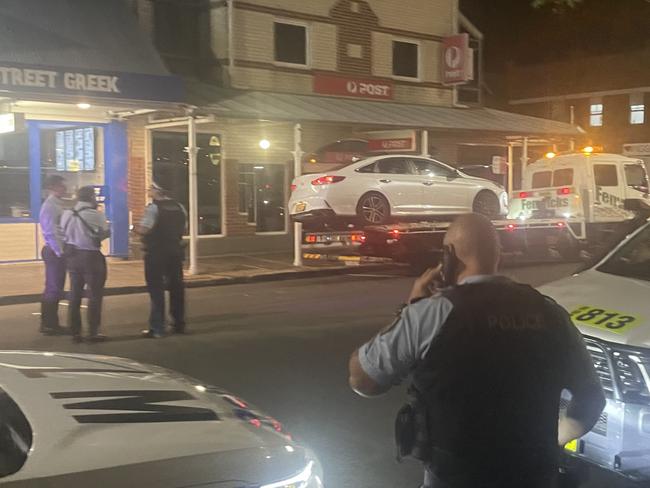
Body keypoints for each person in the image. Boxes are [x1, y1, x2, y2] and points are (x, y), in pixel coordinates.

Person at [348, 213, 606, 488]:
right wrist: (546, 442)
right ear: (499, 256)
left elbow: (363, 380)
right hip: (535, 478)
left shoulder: (431, 314)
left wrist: (411, 308)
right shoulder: (551, 314)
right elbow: (591, 400)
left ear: (448, 257)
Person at [135, 182, 187, 338]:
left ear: (157, 191)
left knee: (156, 290)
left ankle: (157, 328)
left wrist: (134, 228)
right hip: (175, 251)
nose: (148, 191)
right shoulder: (180, 207)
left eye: (150, 188)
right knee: (176, 288)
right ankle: (178, 324)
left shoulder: (153, 208)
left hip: (156, 253)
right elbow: (184, 228)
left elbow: (145, 229)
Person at [61, 186, 111, 343]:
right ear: (91, 198)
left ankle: (75, 332)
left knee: (75, 294)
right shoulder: (96, 215)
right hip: (91, 256)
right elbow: (104, 232)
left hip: (73, 256)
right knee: (95, 295)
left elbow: (63, 232)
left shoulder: (66, 214)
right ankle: (93, 332)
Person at [39, 175, 68, 335]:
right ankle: (48, 324)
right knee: (53, 287)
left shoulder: (58, 204)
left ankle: (52, 323)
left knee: (56, 287)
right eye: (61, 186)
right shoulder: (50, 205)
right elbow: (50, 232)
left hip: (57, 250)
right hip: (54, 250)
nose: (65, 189)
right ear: (53, 187)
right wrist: (59, 252)